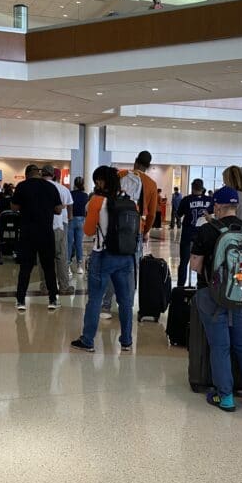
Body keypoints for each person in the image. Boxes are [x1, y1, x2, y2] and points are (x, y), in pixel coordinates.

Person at [190, 185, 242, 413]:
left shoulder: (208, 230)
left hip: (212, 295)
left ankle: (225, 397)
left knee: (220, 345)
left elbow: (196, 265)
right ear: (236, 206)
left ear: (217, 206)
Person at [71, 167, 135, 353]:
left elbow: (89, 231)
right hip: (126, 257)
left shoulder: (97, 201)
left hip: (103, 256)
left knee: (95, 300)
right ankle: (126, 341)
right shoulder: (128, 201)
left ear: (100, 181)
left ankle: (88, 340)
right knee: (125, 301)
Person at [101, 151, 158, 319]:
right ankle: (127, 306)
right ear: (148, 166)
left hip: (114, 228)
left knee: (111, 265)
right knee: (131, 269)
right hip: (135, 230)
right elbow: (152, 214)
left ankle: (105, 306)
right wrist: (145, 230)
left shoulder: (120, 175)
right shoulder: (151, 184)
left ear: (135, 162)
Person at [12, 164, 63, 311]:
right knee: (48, 267)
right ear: (38, 173)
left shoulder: (22, 186)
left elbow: (14, 207)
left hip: (27, 233)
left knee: (25, 268)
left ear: (27, 174)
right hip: (46, 233)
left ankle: (21, 301)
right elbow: (59, 210)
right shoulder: (50, 187)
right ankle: (53, 299)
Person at [40, 165, 74, 296]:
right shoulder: (62, 189)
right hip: (58, 227)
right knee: (61, 257)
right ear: (54, 175)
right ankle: (64, 286)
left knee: (44, 258)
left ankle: (45, 287)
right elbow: (69, 205)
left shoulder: (37, 189)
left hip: (41, 228)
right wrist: (69, 218)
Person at [176, 179, 213, 288]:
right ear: (202, 188)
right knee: (202, 262)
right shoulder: (210, 200)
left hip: (188, 234)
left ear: (192, 188)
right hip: (203, 235)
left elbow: (179, 214)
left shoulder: (186, 200)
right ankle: (201, 286)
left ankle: (180, 287)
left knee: (184, 262)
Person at [69, 176, 89, 274]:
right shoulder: (85, 195)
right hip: (81, 220)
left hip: (71, 219)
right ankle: (79, 266)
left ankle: (68, 266)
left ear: (74, 184)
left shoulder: (70, 193)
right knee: (79, 244)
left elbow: (69, 206)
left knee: (69, 244)